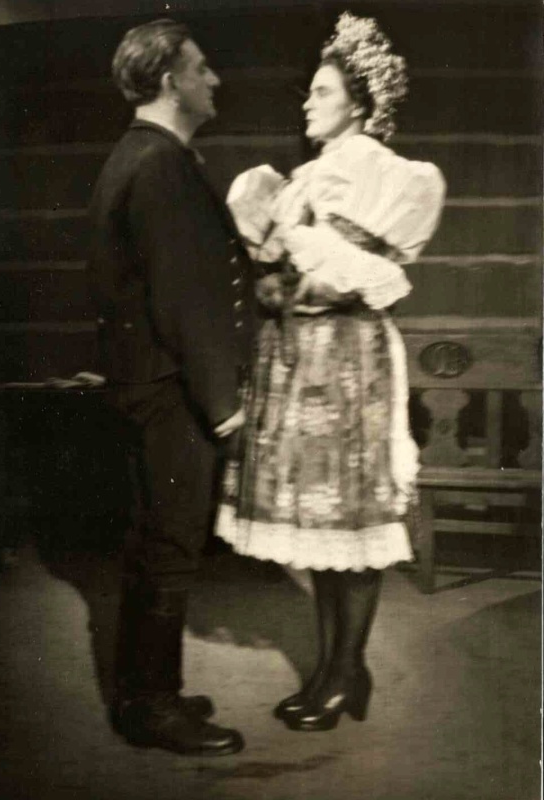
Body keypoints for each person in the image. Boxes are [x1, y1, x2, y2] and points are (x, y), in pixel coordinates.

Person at [216, 13, 445, 732]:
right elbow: (282, 270)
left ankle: (344, 673)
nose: (307, 105)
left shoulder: (374, 169)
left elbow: (356, 278)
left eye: (322, 92)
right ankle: (335, 669)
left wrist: (293, 281)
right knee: (320, 526)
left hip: (345, 362)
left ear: (358, 104)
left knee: (350, 517)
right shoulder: (307, 175)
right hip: (300, 358)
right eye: (308, 92)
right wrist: (276, 282)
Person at [87, 19, 254, 755]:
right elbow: (186, 300)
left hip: (147, 383)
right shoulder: (159, 164)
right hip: (170, 391)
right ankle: (152, 708)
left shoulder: (139, 155)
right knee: (170, 546)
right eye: (201, 67)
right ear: (168, 81)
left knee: (156, 541)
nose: (214, 79)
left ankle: (146, 692)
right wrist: (224, 407)